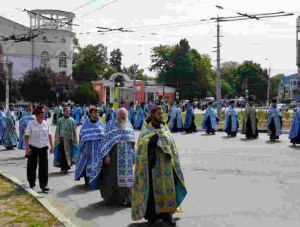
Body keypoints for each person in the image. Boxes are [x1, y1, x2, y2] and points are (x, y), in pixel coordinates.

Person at [132, 106, 187, 226]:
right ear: (152, 114)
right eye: (159, 113)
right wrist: (152, 142)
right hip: (153, 167)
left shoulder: (164, 127)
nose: (161, 116)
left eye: (162, 113)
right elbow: (142, 147)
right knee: (153, 193)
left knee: (168, 191)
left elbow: (171, 144)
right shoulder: (146, 130)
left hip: (167, 166)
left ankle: (168, 216)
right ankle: (153, 217)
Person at [93, 108, 135, 205]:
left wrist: (133, 155)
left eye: (124, 115)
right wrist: (106, 155)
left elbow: (132, 142)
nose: (122, 117)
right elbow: (105, 142)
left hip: (127, 158)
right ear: (117, 115)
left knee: (128, 180)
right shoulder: (111, 125)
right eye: (120, 115)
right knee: (113, 179)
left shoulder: (129, 125)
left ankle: (128, 199)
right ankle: (114, 199)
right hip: (114, 156)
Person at [24, 106, 54, 192]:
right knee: (32, 167)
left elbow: (49, 135)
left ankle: (43, 185)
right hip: (33, 148)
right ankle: (32, 184)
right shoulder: (31, 124)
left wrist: (52, 146)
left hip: (43, 148)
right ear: (37, 115)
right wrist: (26, 149)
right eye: (42, 114)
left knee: (44, 167)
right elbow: (26, 137)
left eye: (44, 113)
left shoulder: (46, 124)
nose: (43, 115)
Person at [75, 107, 105, 187]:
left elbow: (104, 138)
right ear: (91, 113)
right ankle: (87, 182)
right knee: (86, 166)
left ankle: (97, 183)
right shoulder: (86, 125)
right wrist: (83, 149)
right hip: (88, 150)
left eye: (97, 112)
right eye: (95, 112)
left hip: (98, 150)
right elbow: (81, 138)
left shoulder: (100, 124)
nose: (97, 114)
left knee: (98, 166)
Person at [53, 107, 80, 173]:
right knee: (63, 154)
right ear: (63, 112)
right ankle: (63, 167)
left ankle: (67, 167)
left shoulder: (72, 120)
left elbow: (74, 130)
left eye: (68, 111)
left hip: (69, 140)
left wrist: (74, 139)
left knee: (68, 154)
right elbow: (57, 130)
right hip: (62, 140)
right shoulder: (60, 120)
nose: (67, 113)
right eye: (66, 111)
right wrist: (57, 139)